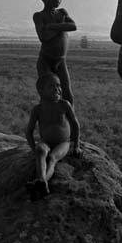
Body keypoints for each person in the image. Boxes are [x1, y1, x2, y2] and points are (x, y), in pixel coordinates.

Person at [25, 73, 82, 201]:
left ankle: (41, 181)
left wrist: (76, 145)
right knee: (40, 151)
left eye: (59, 85)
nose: (57, 89)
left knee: (52, 158)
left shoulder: (64, 105)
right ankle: (42, 183)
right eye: (52, 86)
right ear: (41, 91)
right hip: (45, 142)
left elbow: (75, 124)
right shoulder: (38, 109)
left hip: (63, 142)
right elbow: (28, 131)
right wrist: (33, 148)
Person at [33, 0, 76, 105]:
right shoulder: (39, 16)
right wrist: (62, 25)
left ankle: (70, 124)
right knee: (49, 94)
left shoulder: (62, 12)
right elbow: (43, 37)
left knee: (67, 94)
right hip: (45, 61)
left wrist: (52, 26)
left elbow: (73, 26)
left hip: (60, 61)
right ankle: (47, 121)